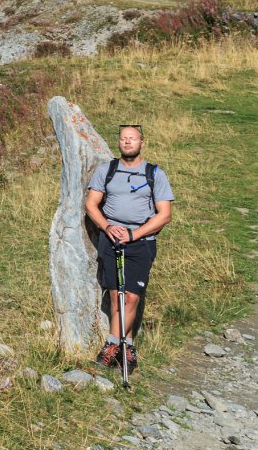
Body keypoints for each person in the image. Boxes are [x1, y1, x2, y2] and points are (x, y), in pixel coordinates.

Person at [84, 124, 174, 371]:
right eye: (124, 138)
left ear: (142, 143)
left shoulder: (155, 174)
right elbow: (91, 204)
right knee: (115, 295)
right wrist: (107, 227)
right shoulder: (107, 170)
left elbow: (164, 214)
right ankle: (128, 349)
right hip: (111, 239)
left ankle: (111, 347)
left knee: (131, 296)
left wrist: (134, 234)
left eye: (132, 139)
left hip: (141, 241)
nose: (127, 142)